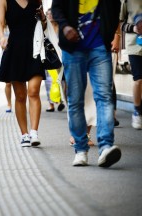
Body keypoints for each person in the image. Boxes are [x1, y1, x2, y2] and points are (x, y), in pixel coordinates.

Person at [52, 0, 122, 167]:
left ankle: (105, 146)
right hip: (73, 49)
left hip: (99, 47)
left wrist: (109, 34)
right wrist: (65, 26)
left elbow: (115, 5)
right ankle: (81, 149)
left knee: (104, 96)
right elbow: (57, 7)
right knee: (75, 100)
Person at [0, 0, 46, 147]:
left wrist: (43, 17)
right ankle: (24, 134)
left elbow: (43, 26)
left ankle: (34, 133)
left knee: (33, 91)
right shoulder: (4, 1)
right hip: (15, 51)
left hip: (34, 50)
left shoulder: (36, 0)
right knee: (20, 96)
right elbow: (0, 22)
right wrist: (1, 37)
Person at [120, 0, 142, 130]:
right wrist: (133, 28)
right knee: (138, 79)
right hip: (134, 45)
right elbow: (121, 24)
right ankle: (137, 111)